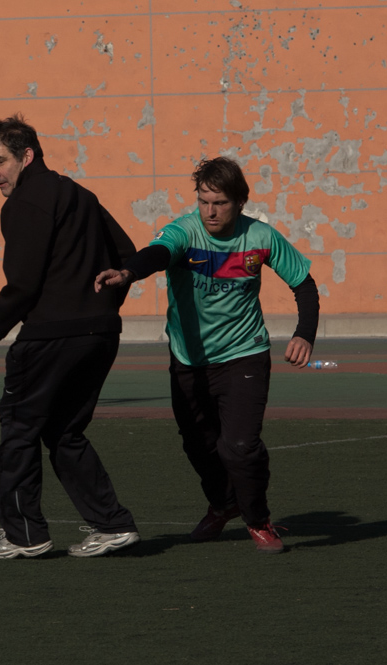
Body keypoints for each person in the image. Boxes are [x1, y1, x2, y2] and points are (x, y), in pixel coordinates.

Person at [95, 156, 320, 554]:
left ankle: (257, 520)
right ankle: (223, 504)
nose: (210, 211)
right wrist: (129, 273)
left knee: (240, 446)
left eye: (219, 203)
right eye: (203, 201)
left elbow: (303, 284)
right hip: (188, 360)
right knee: (198, 444)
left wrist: (304, 334)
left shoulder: (261, 238)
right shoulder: (184, 231)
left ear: (240, 202)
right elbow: (157, 252)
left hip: (244, 353)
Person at [0, 115, 139, 559]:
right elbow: (127, 257)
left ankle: (24, 535)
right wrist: (103, 308)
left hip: (50, 338)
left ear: (27, 156)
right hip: (100, 335)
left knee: (19, 430)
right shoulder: (79, 194)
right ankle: (113, 525)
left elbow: (23, 284)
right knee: (65, 431)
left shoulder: (24, 202)